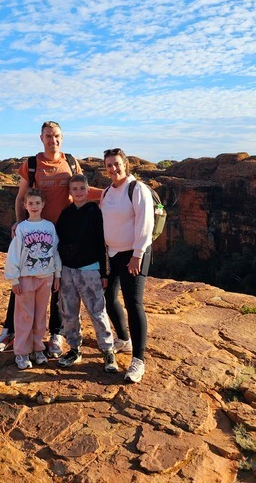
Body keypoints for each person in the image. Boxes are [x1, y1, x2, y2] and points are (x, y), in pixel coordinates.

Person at [0, 120, 97, 357]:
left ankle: (56, 334)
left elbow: (83, 191)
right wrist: (20, 223)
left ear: (62, 137)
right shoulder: (32, 164)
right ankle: (10, 331)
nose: (53, 140)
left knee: (59, 283)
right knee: (23, 281)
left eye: (56, 135)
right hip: (35, 233)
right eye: (48, 136)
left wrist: (113, 192)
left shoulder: (71, 163)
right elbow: (21, 196)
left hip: (65, 233)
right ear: (41, 138)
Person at [55, 174, 118, 372]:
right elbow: (58, 243)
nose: (79, 192)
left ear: (88, 190)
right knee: (69, 312)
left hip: (90, 269)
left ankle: (108, 351)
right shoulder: (66, 214)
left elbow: (101, 243)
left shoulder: (95, 211)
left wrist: (104, 273)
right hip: (68, 270)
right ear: (70, 192)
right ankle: (74, 349)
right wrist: (58, 272)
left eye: (82, 188)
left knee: (97, 311)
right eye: (74, 189)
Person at [100, 148, 153, 383]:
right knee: (108, 297)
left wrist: (137, 254)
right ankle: (123, 339)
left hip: (134, 254)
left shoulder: (137, 188)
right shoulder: (107, 192)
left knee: (134, 303)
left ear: (125, 164)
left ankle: (138, 360)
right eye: (109, 165)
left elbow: (145, 223)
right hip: (112, 254)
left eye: (117, 164)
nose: (113, 169)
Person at [4, 188, 62, 369]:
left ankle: (38, 348)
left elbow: (55, 251)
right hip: (26, 278)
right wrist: (14, 279)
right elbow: (13, 254)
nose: (34, 206)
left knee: (40, 316)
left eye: (37, 203)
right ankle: (22, 352)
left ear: (43, 204)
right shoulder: (22, 228)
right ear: (25, 206)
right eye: (31, 203)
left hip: (46, 277)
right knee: (24, 316)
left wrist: (57, 274)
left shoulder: (49, 227)